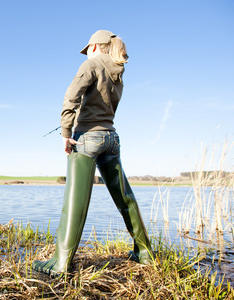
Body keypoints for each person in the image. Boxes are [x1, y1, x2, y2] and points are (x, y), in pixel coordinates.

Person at [32, 30, 153, 276]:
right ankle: (145, 253)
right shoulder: (118, 71)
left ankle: (60, 264)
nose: (87, 53)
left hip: (87, 139)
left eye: (88, 49)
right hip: (111, 139)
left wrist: (66, 133)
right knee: (125, 199)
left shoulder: (91, 64)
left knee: (74, 203)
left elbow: (71, 98)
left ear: (96, 47)